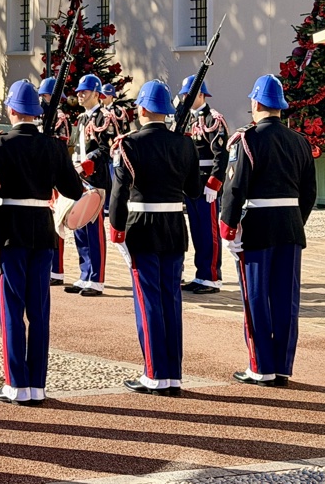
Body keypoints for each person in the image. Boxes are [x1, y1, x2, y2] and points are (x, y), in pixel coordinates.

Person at [0, 80, 86, 406]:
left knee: (12, 309)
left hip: (10, 230)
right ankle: (37, 384)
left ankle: (16, 384)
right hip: (42, 229)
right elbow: (74, 191)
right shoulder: (53, 146)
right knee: (38, 310)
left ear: (11, 110)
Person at [219, 74, 317, 388]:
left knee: (257, 297)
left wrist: (228, 228)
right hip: (290, 225)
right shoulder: (299, 141)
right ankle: (283, 366)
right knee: (286, 299)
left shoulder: (246, 139)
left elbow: (235, 188)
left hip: (258, 227)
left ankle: (261, 367)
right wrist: (295, 220)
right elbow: (309, 192)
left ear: (257, 103)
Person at [108, 81, 201, 396]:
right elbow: (194, 190)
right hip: (174, 226)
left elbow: (118, 195)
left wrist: (117, 231)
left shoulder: (129, 144)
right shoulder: (184, 144)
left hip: (142, 227)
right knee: (171, 300)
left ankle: (154, 374)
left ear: (144, 109)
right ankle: (172, 374)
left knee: (148, 300)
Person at [178, 76, 229, 294]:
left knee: (209, 232)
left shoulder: (212, 119)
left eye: (188, 94)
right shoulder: (186, 119)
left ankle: (211, 277)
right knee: (197, 232)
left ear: (200, 94)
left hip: (207, 184)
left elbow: (221, 154)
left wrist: (214, 183)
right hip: (191, 184)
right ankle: (201, 274)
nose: (184, 98)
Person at [67, 74, 113, 295]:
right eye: (78, 91)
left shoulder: (104, 117)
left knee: (94, 230)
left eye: (84, 91)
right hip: (80, 177)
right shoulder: (82, 118)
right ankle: (84, 274)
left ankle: (96, 279)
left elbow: (107, 148)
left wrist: (88, 163)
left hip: (95, 179)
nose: (80, 95)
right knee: (80, 228)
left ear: (96, 93)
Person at [37, 77, 69, 287]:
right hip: (38, 173)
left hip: (51, 174)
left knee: (55, 222)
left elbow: (60, 146)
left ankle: (56, 269)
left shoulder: (59, 117)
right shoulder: (38, 115)